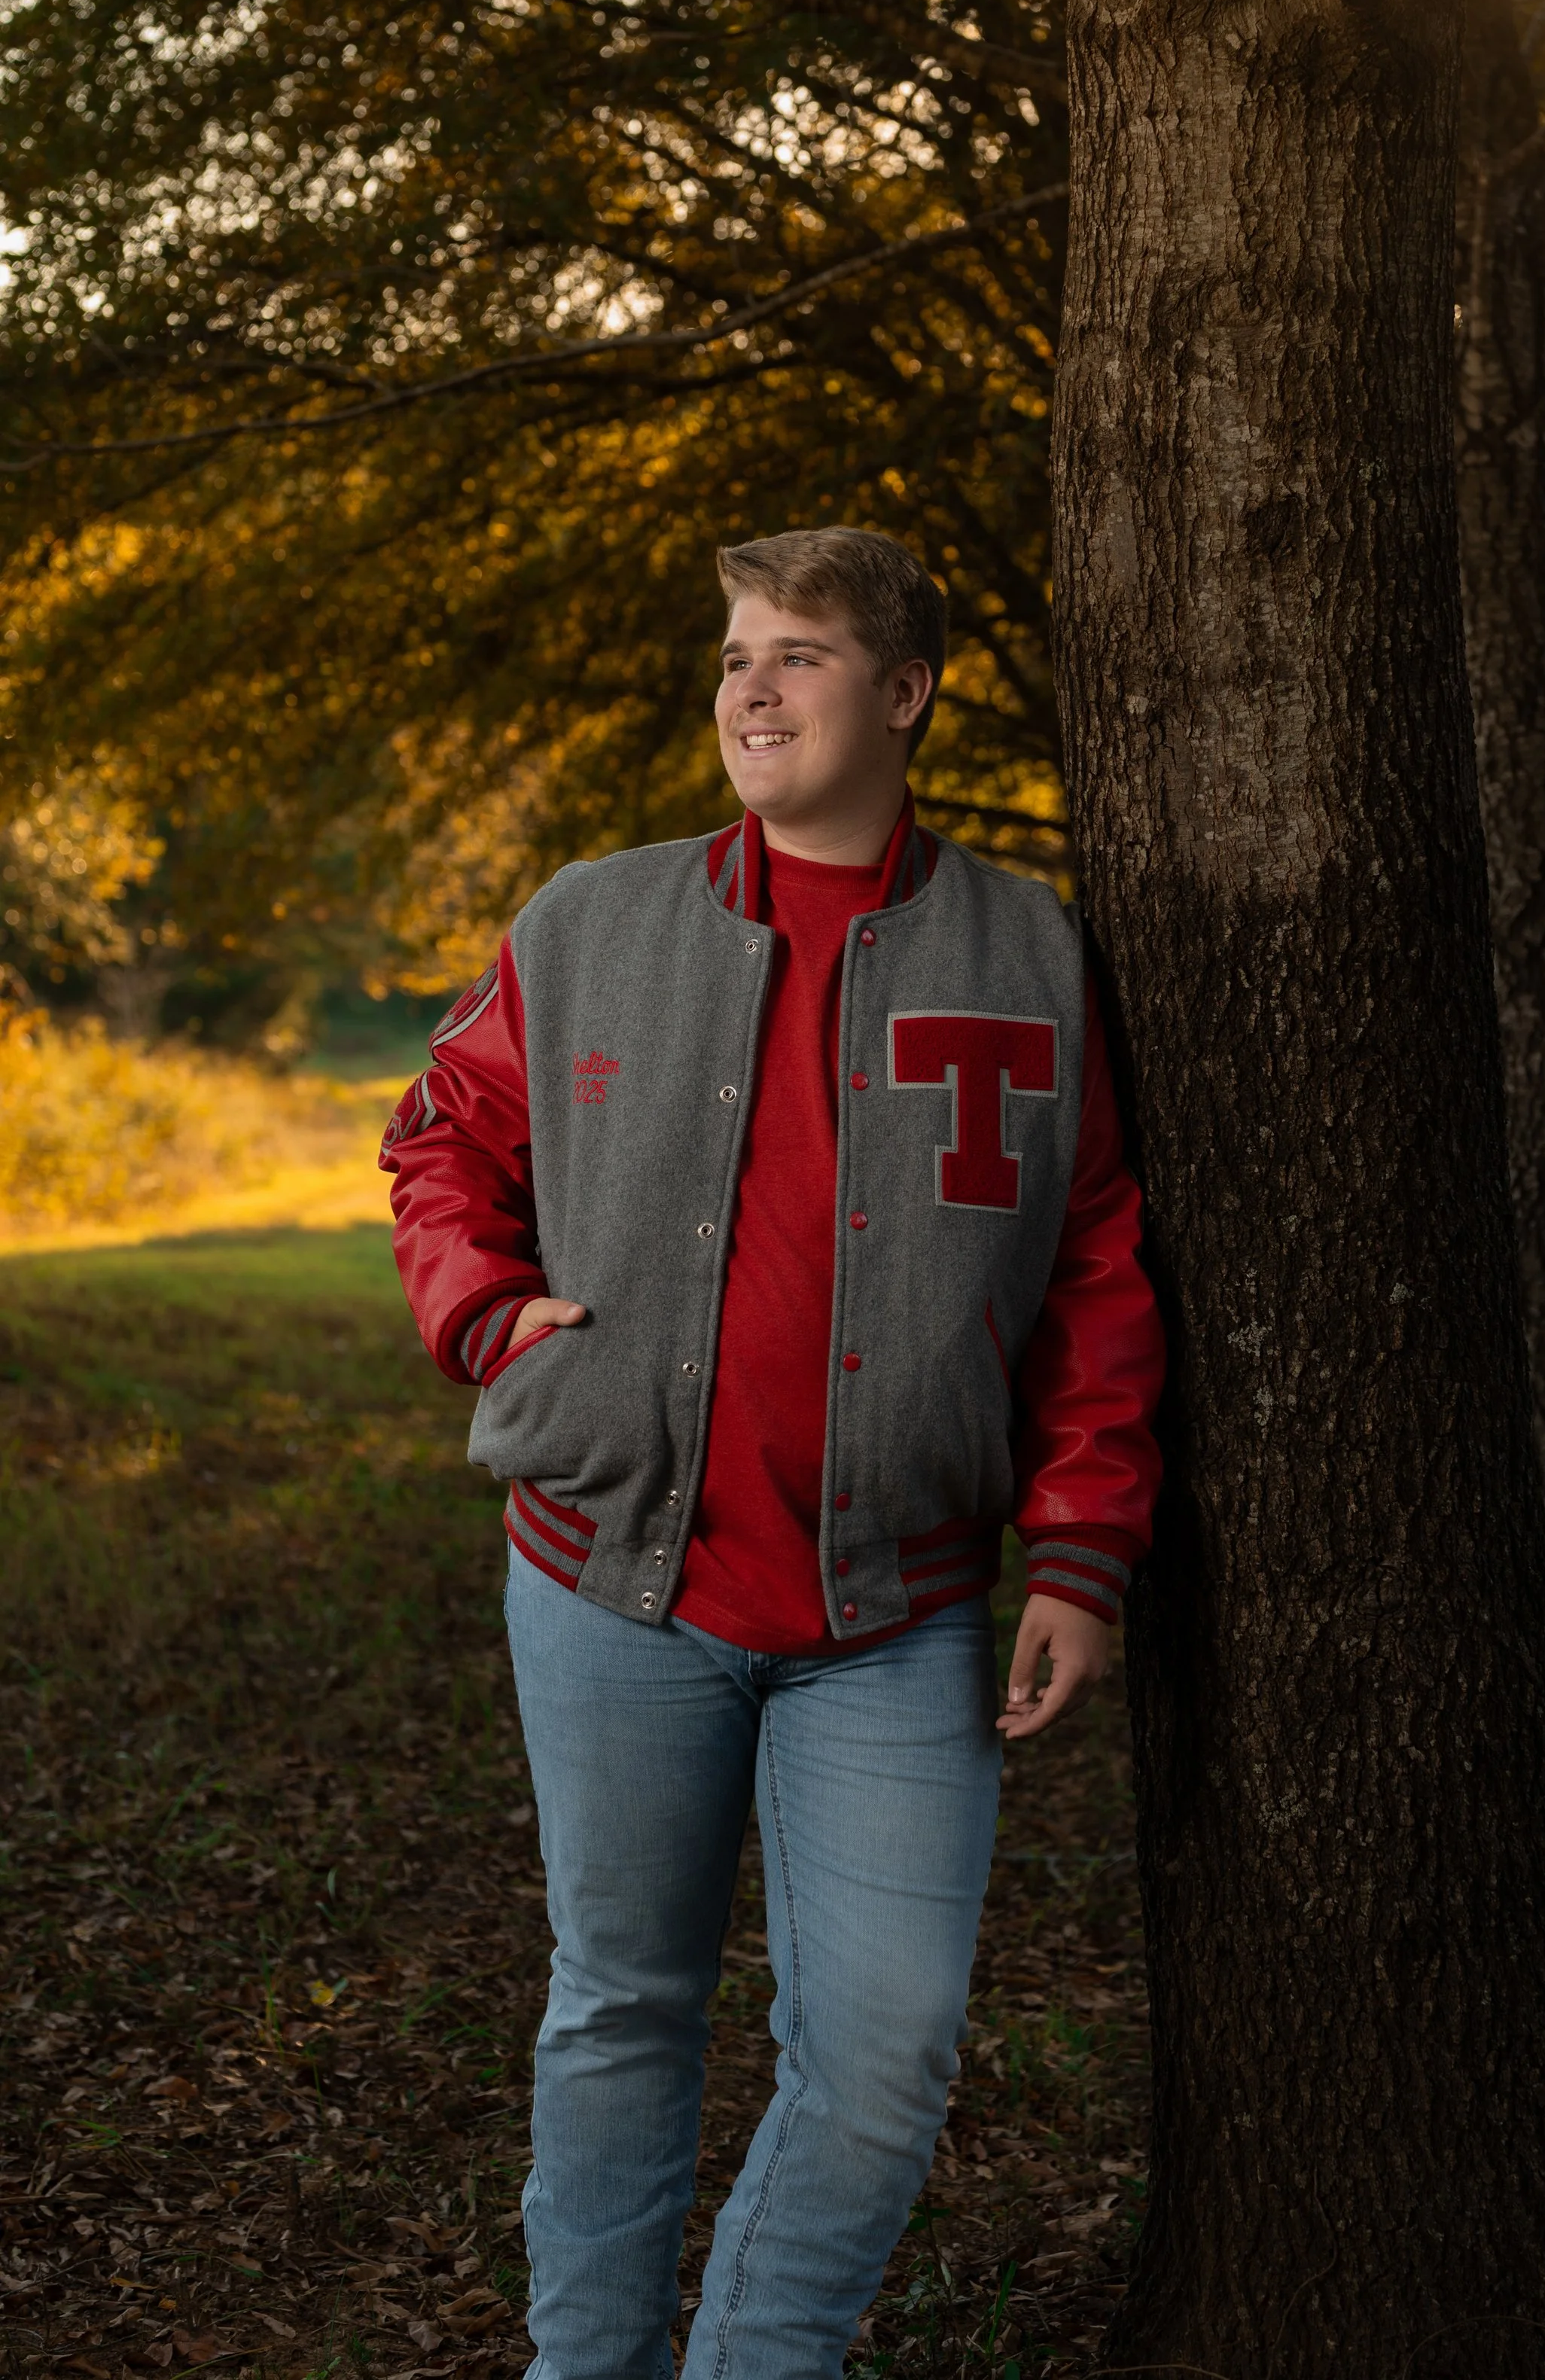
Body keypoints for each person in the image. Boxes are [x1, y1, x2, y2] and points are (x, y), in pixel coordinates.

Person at [379, 526, 1163, 2380]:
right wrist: (486, 1316)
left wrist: (1077, 1551)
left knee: (884, 2059)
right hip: (611, 1583)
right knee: (619, 2011)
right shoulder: (591, 920)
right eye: (736, 651)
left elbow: (1096, 1262)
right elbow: (441, 1139)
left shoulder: (1025, 946)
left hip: (894, 1614)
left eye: (799, 654)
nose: (751, 686)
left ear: (903, 693)